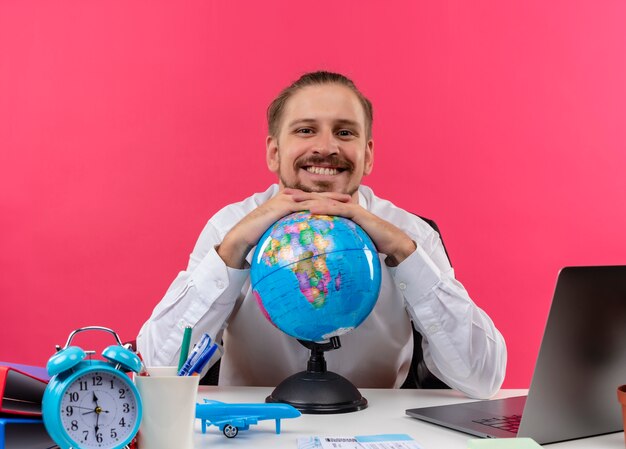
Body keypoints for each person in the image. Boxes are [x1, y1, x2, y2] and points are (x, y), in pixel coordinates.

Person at [137, 71, 506, 399]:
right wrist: (232, 252)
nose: (326, 147)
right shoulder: (229, 227)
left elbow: (483, 379)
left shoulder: (411, 234)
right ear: (274, 152)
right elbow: (155, 370)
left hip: (373, 429)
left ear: (368, 154)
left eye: (344, 132)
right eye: (305, 130)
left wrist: (403, 252)